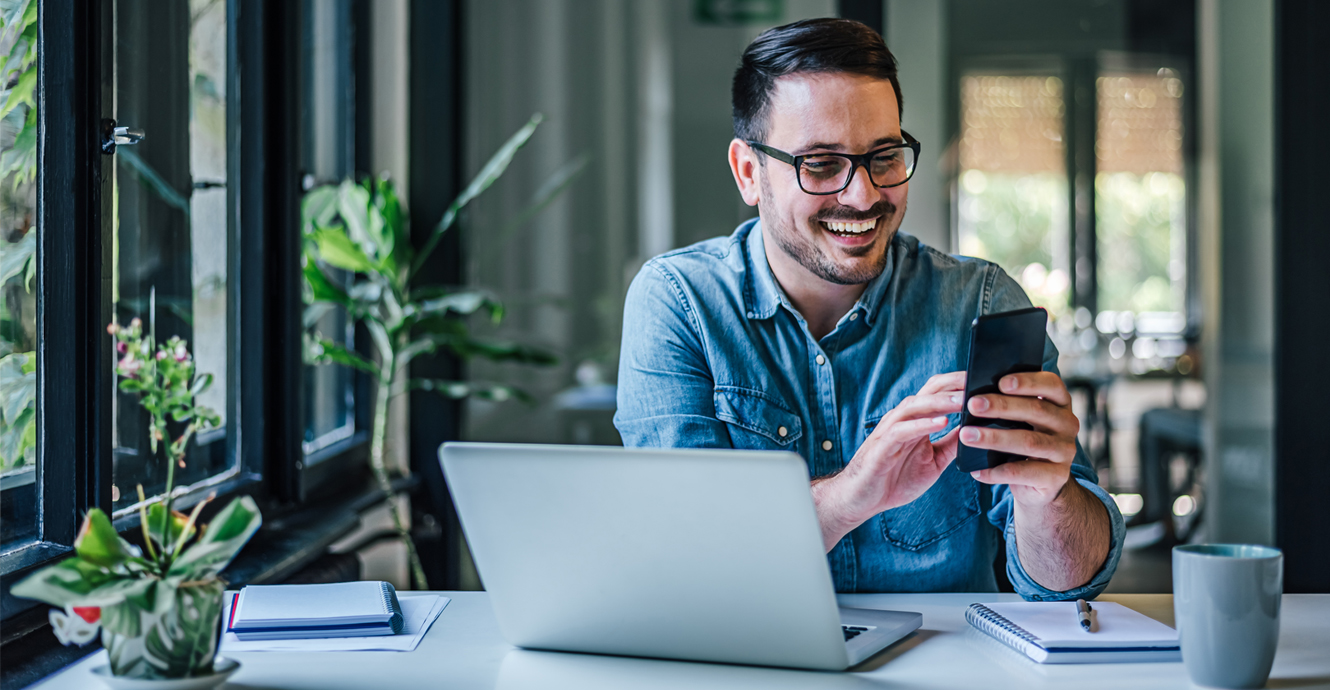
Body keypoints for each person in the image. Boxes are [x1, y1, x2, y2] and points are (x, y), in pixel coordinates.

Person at [614, 18, 1123, 598]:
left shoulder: (979, 304)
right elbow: (685, 560)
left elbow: (1069, 587)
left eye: (883, 156)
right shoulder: (680, 303)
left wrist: (1046, 498)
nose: (863, 196)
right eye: (821, 164)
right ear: (749, 173)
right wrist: (854, 491)